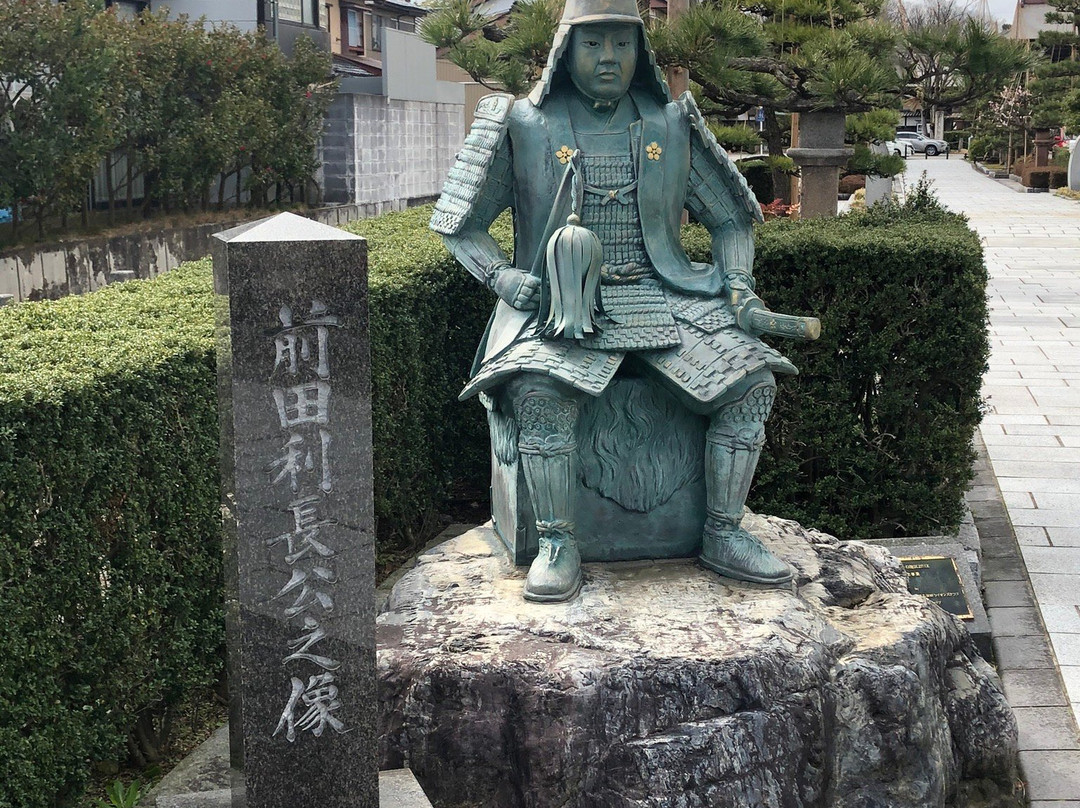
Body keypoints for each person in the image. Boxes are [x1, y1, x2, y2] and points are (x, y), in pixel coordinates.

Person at [431, 0, 805, 603]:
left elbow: (734, 220)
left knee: (752, 382)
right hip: (560, 304)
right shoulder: (522, 125)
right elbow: (459, 223)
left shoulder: (671, 123)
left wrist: (738, 287)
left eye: (622, 44)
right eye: (593, 44)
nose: (610, 58)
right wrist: (504, 280)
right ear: (564, 51)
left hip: (667, 293)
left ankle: (722, 531)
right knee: (539, 392)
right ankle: (556, 541)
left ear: (641, 51)